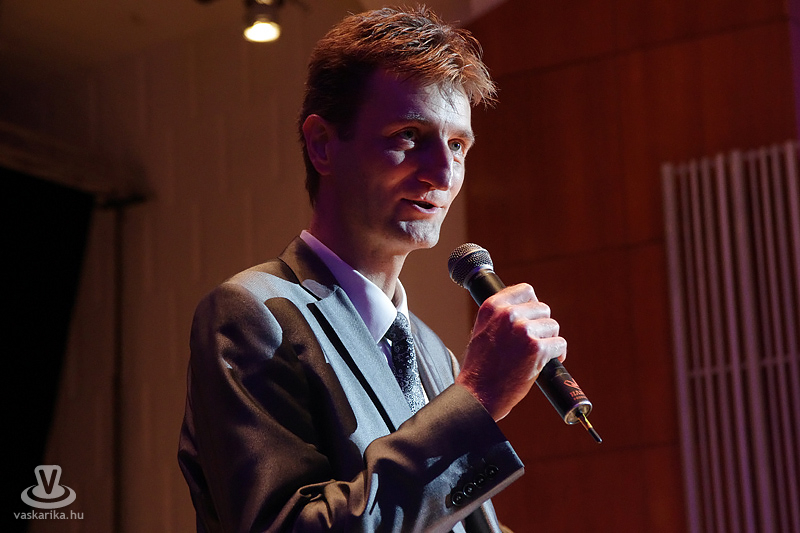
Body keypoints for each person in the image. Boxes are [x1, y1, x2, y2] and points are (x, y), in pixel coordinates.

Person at [178, 6, 567, 532]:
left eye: (457, 145)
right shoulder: (252, 312)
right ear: (322, 145)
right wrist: (476, 398)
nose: (443, 173)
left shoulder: (432, 351)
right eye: (409, 134)